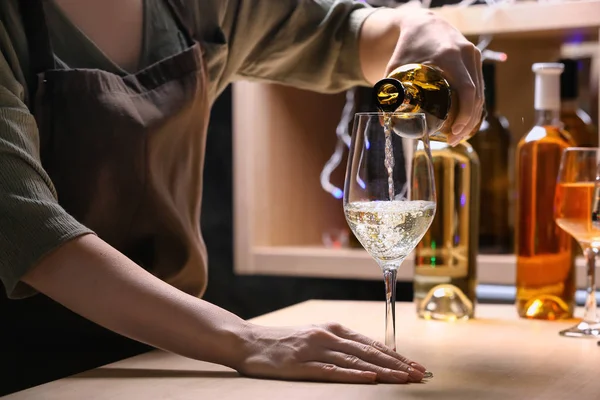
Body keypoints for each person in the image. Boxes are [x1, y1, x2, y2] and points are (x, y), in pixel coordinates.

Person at [0, 0, 483, 390]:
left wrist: (412, 25)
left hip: (174, 361)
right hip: (32, 371)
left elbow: (342, 37)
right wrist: (246, 339)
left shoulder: (200, 7)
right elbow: (30, 229)